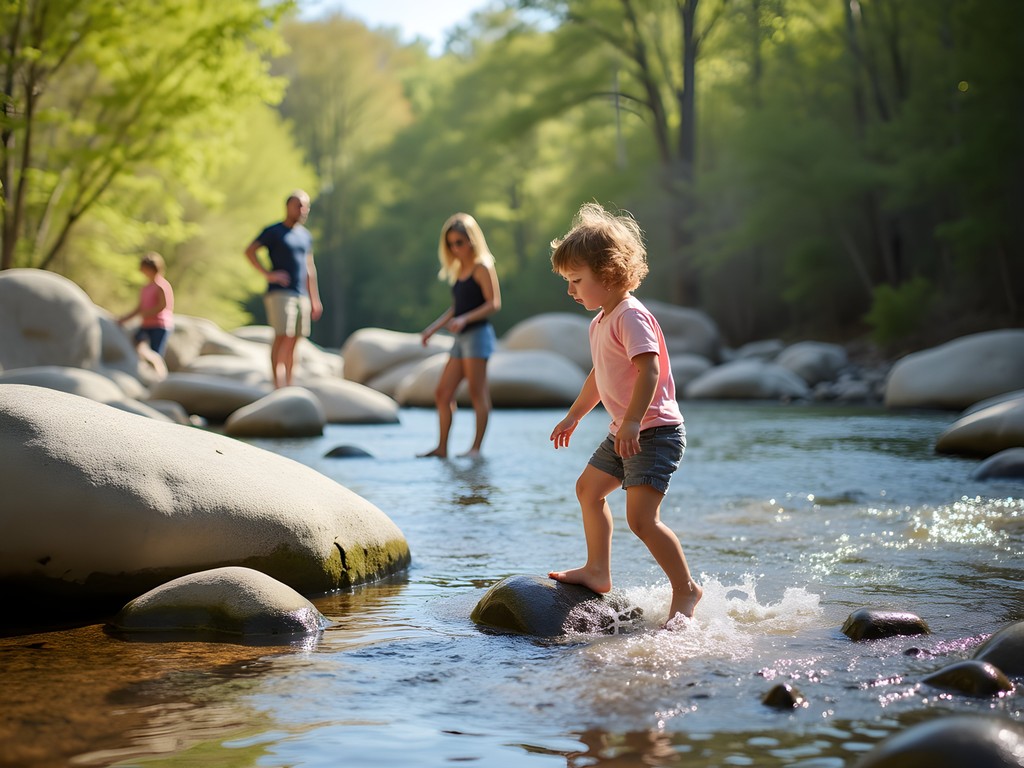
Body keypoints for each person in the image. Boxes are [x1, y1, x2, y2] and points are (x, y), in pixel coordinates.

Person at [547, 202, 702, 624]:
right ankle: (598, 570)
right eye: (568, 281)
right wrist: (575, 415)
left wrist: (632, 420)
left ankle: (686, 589)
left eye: (577, 280)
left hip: (654, 431)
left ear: (610, 273)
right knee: (588, 490)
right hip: (626, 430)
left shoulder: (631, 316)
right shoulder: (600, 322)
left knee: (642, 519)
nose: (571, 290)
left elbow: (648, 368)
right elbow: (600, 376)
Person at [418, 212, 502, 458]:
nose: (455, 248)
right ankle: (442, 447)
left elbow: (493, 303)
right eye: (451, 244)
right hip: (460, 339)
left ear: (472, 240)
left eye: (459, 243)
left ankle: (476, 449)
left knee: (478, 393)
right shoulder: (459, 268)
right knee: (442, 393)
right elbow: (458, 306)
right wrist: (433, 328)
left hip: (478, 336)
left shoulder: (482, 266)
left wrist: (466, 318)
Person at [245, 189, 323, 389]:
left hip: (301, 294)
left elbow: (309, 268)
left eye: (306, 206)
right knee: (281, 336)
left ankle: (289, 384)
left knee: (295, 340)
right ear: (288, 206)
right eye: (299, 206)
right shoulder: (273, 231)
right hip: (280, 293)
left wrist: (315, 299)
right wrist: (268, 274)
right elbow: (250, 251)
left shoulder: (305, 236)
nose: (303, 210)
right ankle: (276, 384)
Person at [117, 251, 174, 379]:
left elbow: (163, 306)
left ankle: (161, 378)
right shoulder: (145, 287)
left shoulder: (162, 286)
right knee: (137, 343)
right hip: (146, 324)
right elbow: (140, 308)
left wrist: (146, 313)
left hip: (159, 325)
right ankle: (143, 373)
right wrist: (124, 319)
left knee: (155, 354)